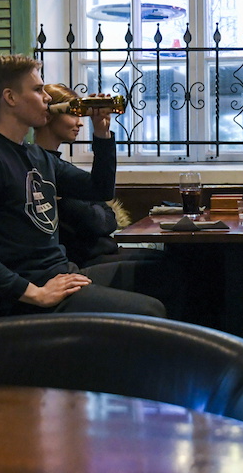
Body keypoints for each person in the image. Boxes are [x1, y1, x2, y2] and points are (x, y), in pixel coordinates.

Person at [0, 54, 165, 318]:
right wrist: (34, 293)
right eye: (38, 89)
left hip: (64, 274)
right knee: (151, 309)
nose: (48, 97)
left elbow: (100, 190)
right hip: (31, 294)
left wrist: (102, 134)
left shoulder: (38, 156)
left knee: (168, 273)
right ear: (11, 97)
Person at [33, 83, 186, 318]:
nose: (80, 122)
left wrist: (103, 133)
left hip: (100, 253)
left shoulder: (57, 166)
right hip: (80, 264)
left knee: (178, 262)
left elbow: (106, 209)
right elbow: (98, 221)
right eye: (73, 114)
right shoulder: (39, 169)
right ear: (49, 114)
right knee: (172, 272)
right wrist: (96, 210)